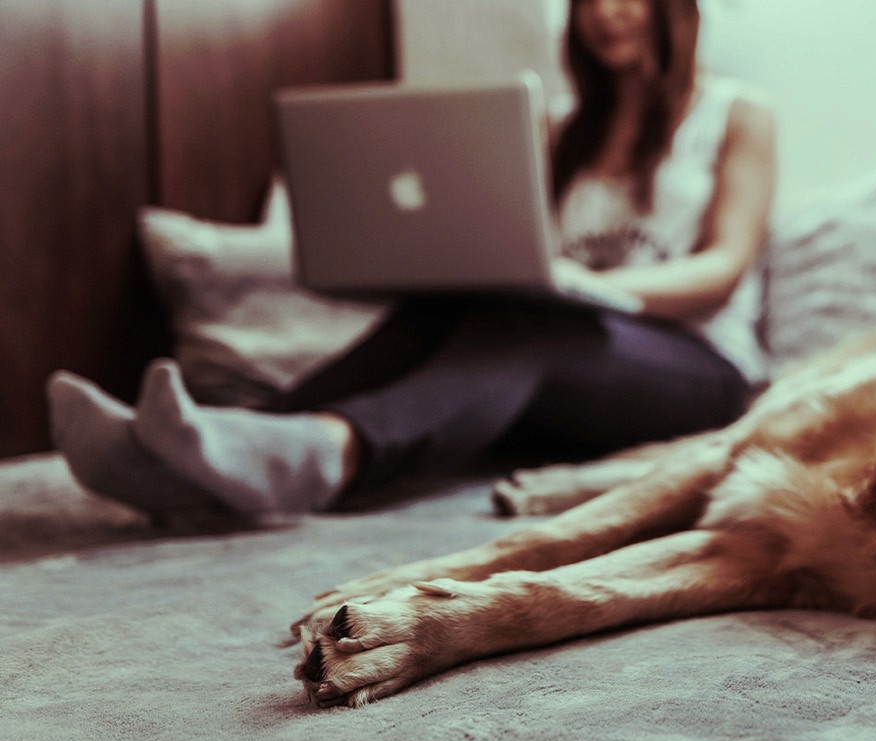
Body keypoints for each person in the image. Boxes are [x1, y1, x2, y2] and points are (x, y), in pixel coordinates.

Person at [47, 0, 776, 518]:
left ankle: (325, 453)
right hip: (570, 367)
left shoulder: (737, 113)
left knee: (529, 329)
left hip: (698, 371)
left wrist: (595, 287)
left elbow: (724, 270)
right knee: (461, 307)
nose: (605, 12)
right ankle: (216, 450)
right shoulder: (560, 127)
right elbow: (519, 246)